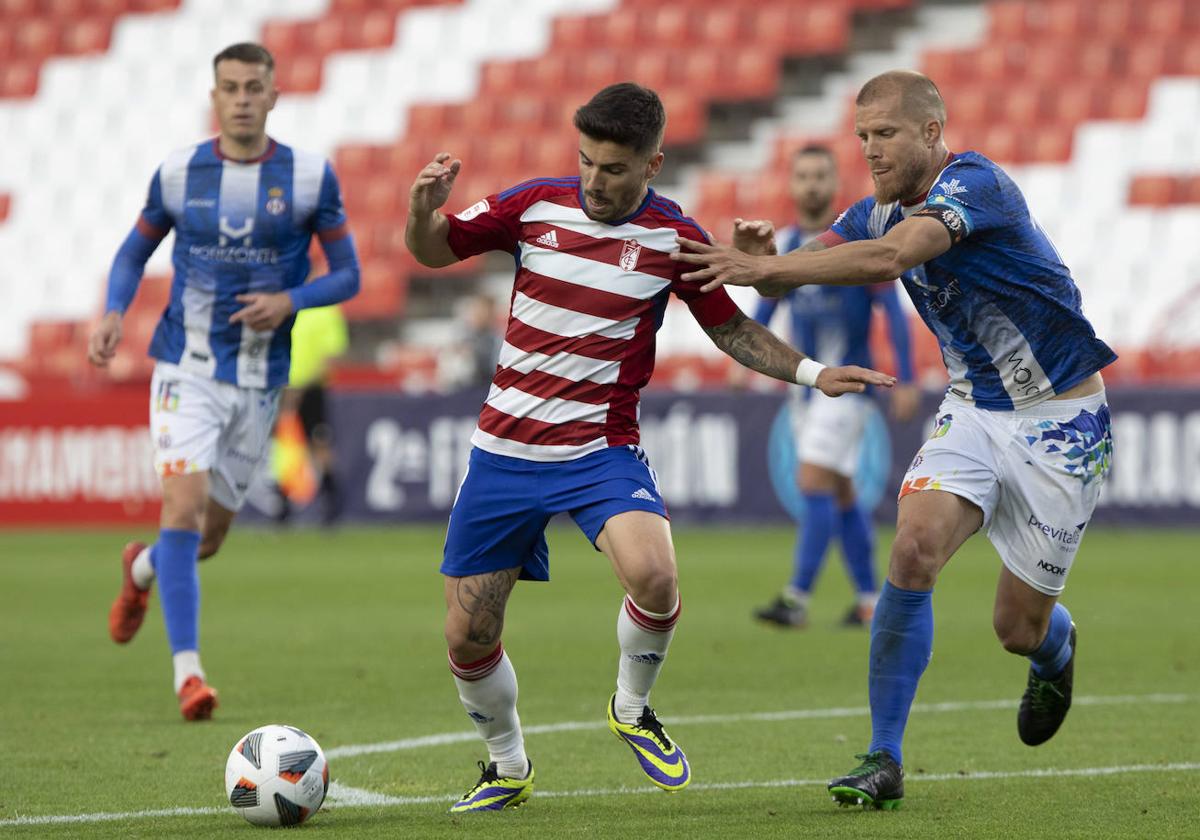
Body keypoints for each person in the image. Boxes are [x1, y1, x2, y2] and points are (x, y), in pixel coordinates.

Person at [405, 82, 896, 812]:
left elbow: (732, 329)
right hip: (503, 451)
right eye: (587, 163)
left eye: (613, 168)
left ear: (652, 164)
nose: (595, 182)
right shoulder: (534, 204)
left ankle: (631, 708)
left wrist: (812, 372)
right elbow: (433, 250)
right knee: (469, 633)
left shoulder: (673, 239)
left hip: (599, 449)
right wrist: (422, 209)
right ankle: (507, 764)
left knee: (656, 577)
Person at [672, 70, 1115, 809]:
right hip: (975, 409)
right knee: (911, 550)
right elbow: (798, 270)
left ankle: (1055, 648)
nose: (871, 151)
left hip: (1062, 423)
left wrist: (772, 267)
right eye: (863, 137)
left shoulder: (976, 185)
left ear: (932, 134)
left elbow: (891, 259)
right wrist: (765, 260)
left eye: (886, 134)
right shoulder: (875, 208)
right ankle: (884, 757)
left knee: (1015, 626)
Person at [88, 42, 360, 720]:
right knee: (179, 511)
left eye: (252, 87)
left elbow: (348, 274)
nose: (241, 98)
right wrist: (114, 313)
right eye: (229, 87)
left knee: (204, 539)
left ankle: (140, 569)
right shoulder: (180, 173)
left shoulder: (308, 178)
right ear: (215, 96)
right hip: (187, 367)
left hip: (260, 381)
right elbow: (132, 252)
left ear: (273, 95)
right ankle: (189, 676)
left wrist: (290, 301)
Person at [736, 145, 919, 629]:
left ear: (834, 182)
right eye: (803, 176)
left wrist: (908, 376)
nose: (812, 184)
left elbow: (894, 311)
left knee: (812, 480)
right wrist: (743, 360)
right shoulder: (793, 247)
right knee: (839, 492)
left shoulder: (855, 245)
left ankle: (796, 599)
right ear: (792, 185)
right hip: (806, 390)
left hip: (850, 386)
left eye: (821, 175)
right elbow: (768, 303)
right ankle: (869, 599)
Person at [274, 303, 349, 526]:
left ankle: (330, 500)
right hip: (284, 388)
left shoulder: (324, 309)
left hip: (311, 389)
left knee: (318, 443)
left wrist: (302, 387)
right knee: (285, 443)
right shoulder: (286, 304)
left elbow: (332, 355)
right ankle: (283, 502)